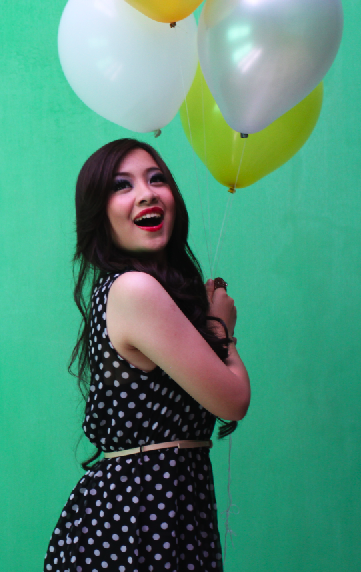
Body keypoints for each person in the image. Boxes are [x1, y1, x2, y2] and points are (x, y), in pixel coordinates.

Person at [44, 139, 250, 572]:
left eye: (157, 179)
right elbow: (232, 400)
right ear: (99, 215)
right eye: (122, 185)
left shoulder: (133, 289)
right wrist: (221, 328)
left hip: (167, 513)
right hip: (137, 522)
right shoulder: (134, 290)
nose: (146, 193)